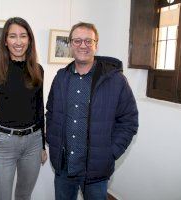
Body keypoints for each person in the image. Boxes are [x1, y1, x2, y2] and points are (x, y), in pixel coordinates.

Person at [46, 22, 139, 200]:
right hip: (64, 166)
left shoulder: (116, 80)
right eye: (78, 41)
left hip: (96, 169)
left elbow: (129, 120)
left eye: (88, 41)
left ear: (96, 44)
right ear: (71, 44)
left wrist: (110, 152)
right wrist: (52, 138)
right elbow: (51, 112)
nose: (83, 45)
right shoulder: (60, 77)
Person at [0, 17, 47, 200]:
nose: (18, 42)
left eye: (23, 36)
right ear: (5, 40)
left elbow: (39, 109)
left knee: (24, 195)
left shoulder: (38, 70)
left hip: (33, 143)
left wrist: (42, 145)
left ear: (29, 40)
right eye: (12, 36)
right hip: (4, 144)